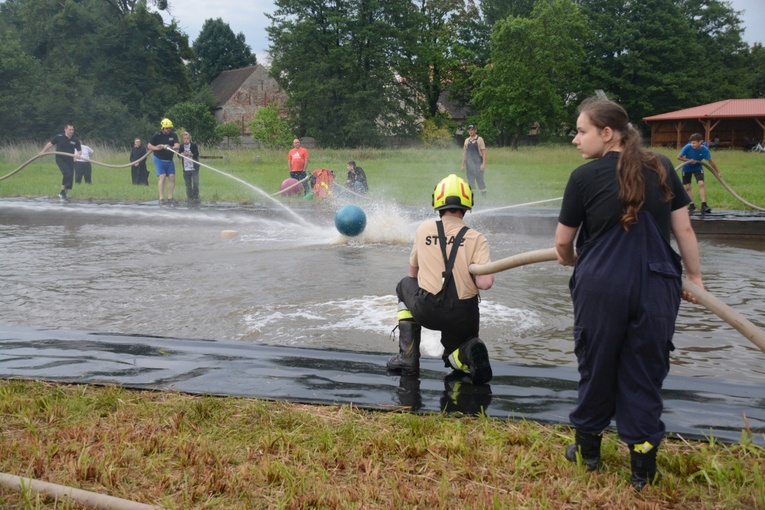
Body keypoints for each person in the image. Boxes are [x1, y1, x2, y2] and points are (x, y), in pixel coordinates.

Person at [555, 97, 703, 491]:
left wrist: (572, 261)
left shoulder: (583, 178)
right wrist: (695, 277)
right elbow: (684, 231)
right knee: (644, 370)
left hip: (601, 285)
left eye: (581, 130)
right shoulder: (662, 167)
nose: (575, 139)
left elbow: (562, 243)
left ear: (606, 133)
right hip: (657, 284)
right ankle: (642, 470)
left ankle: (588, 452)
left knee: (597, 363)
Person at [387, 174, 495, 385]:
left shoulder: (424, 229)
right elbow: (485, 283)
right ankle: (468, 351)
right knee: (454, 360)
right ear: (467, 205)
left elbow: (412, 274)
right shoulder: (477, 238)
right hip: (464, 314)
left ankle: (407, 357)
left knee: (403, 286)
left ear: (437, 203)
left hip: (428, 310)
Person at [676, 133, 721, 214]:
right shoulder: (687, 147)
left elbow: (710, 161)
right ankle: (691, 205)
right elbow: (678, 157)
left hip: (698, 167)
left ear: (700, 142)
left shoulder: (704, 150)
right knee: (688, 187)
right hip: (686, 168)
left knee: (701, 183)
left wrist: (717, 172)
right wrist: (689, 160)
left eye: (694, 143)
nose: (692, 144)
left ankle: (704, 205)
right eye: (691, 143)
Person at [39, 124, 81, 202]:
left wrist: (78, 154)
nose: (71, 131)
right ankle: (62, 193)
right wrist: (42, 152)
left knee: (70, 177)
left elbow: (79, 150)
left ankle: (64, 194)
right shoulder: (59, 137)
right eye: (70, 130)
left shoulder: (75, 140)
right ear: (65, 130)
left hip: (70, 159)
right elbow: (50, 144)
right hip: (60, 158)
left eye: (72, 130)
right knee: (67, 173)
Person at [147, 118, 180, 206]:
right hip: (159, 159)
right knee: (163, 176)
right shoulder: (157, 135)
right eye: (167, 128)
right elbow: (149, 145)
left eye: (169, 128)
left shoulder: (173, 135)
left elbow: (177, 145)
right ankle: (161, 198)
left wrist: (170, 147)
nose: (168, 130)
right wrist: (158, 148)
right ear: (162, 128)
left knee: (172, 177)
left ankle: (170, 198)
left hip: (169, 159)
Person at [461, 124, 487, 199]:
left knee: (480, 181)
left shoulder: (479, 139)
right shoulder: (466, 140)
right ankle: (472, 198)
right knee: (471, 181)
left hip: (478, 163)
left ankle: (484, 198)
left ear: (475, 130)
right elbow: (464, 153)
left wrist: (483, 164)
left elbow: (483, 152)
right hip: (469, 164)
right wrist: (462, 165)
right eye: (469, 130)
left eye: (472, 130)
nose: (471, 131)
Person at [178, 131, 200, 205]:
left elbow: (196, 154)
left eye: (187, 138)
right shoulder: (181, 146)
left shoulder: (193, 145)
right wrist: (181, 154)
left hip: (194, 168)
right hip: (186, 168)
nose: (186, 140)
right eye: (185, 138)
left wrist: (190, 154)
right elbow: (179, 155)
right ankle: (189, 197)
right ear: (183, 139)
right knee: (188, 184)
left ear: (189, 138)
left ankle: (196, 197)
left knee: (195, 183)